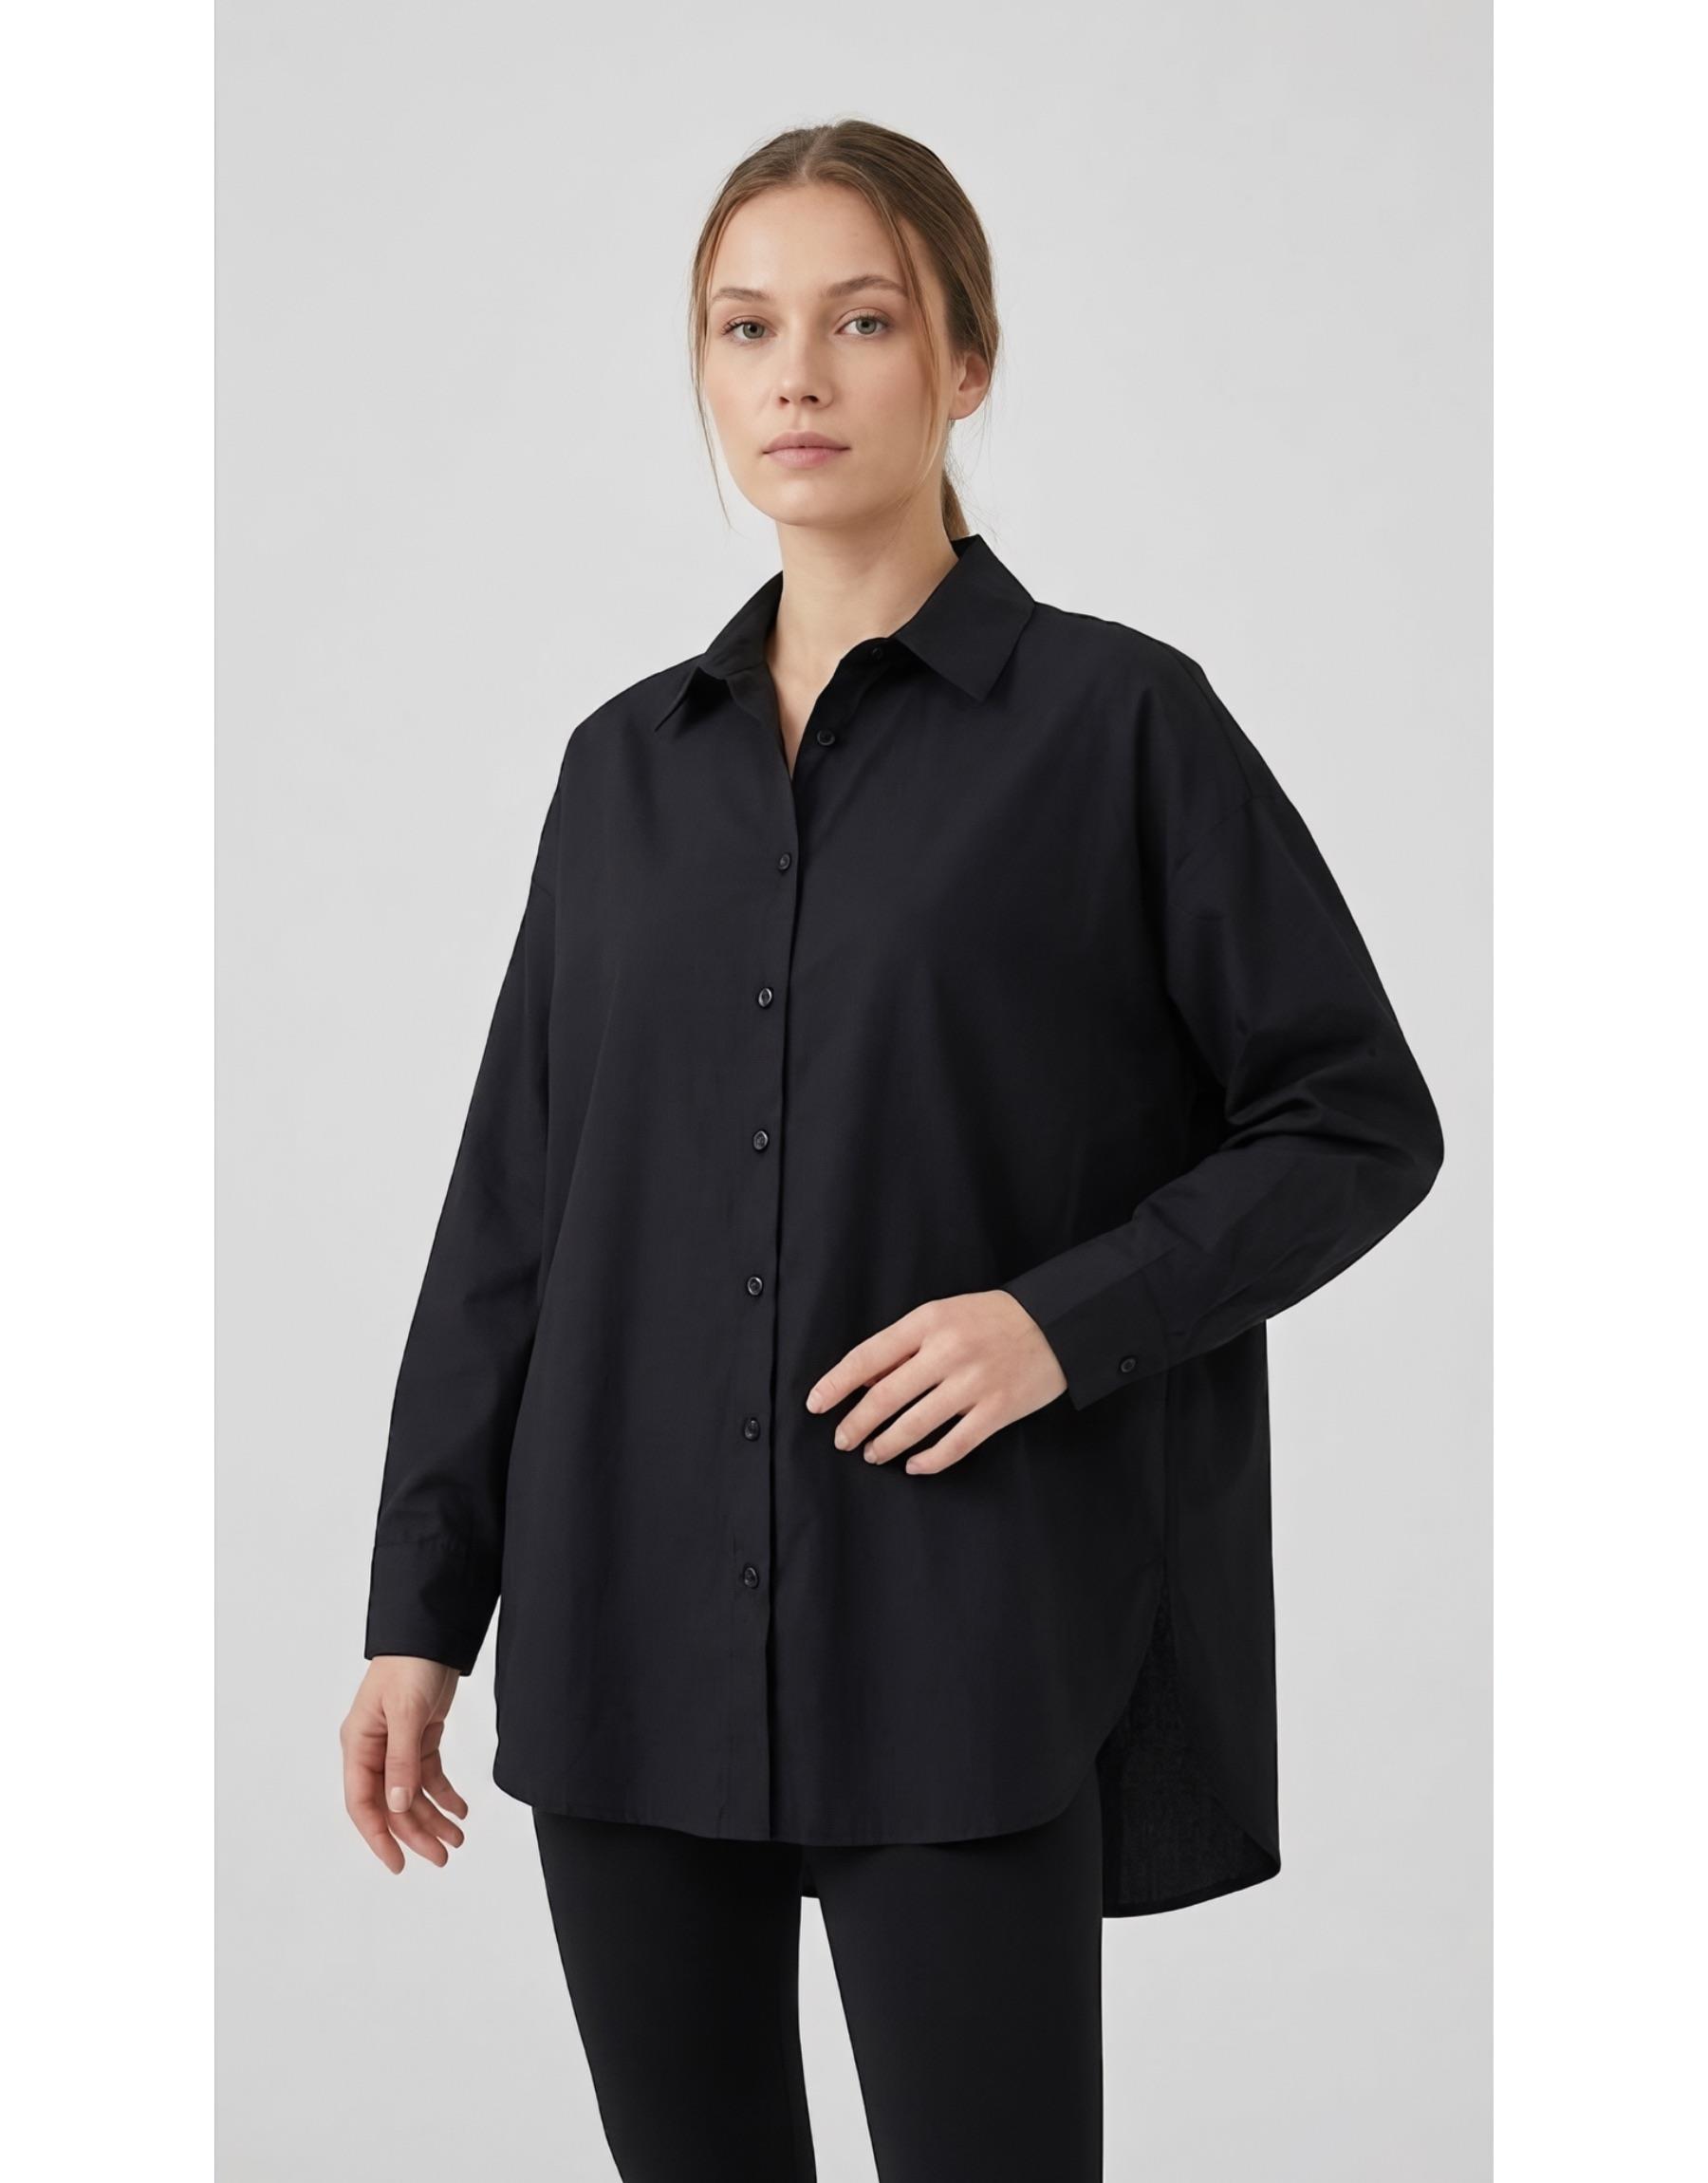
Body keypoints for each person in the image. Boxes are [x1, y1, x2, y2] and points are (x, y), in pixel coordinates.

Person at [339, 118, 1444, 2183]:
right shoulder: (619, 772)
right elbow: (510, 1216)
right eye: (745, 326)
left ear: (966, 360)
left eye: (862, 321)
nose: (798, 376)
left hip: (966, 1642)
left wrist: (1061, 1322)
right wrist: (421, 1607)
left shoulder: (1120, 728)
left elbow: (1357, 1117)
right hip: (625, 1632)